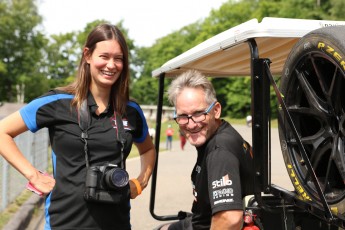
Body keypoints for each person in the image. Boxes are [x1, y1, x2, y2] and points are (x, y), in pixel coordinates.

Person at [0, 24, 156, 230]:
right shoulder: (58, 102)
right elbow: (3, 132)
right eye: (104, 56)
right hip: (64, 223)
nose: (111, 65)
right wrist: (33, 176)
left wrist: (141, 182)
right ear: (87, 55)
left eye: (118, 58)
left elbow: (148, 149)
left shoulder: (131, 110)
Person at [159, 70, 253, 230]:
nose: (191, 124)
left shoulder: (219, 151)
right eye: (183, 116)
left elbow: (229, 218)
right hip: (199, 219)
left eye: (198, 114)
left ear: (216, 110)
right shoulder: (223, 134)